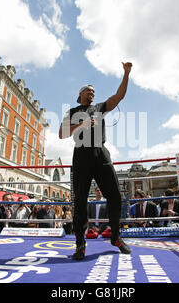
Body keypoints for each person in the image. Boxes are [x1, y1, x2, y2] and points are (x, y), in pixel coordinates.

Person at [59, 62, 133, 260]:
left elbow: (119, 96)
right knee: (80, 202)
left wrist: (126, 74)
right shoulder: (73, 111)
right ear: (80, 94)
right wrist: (80, 123)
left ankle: (116, 237)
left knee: (116, 196)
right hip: (81, 155)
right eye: (88, 90)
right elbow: (61, 134)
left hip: (101, 153)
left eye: (93, 91)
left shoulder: (100, 107)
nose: (92, 93)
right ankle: (80, 245)